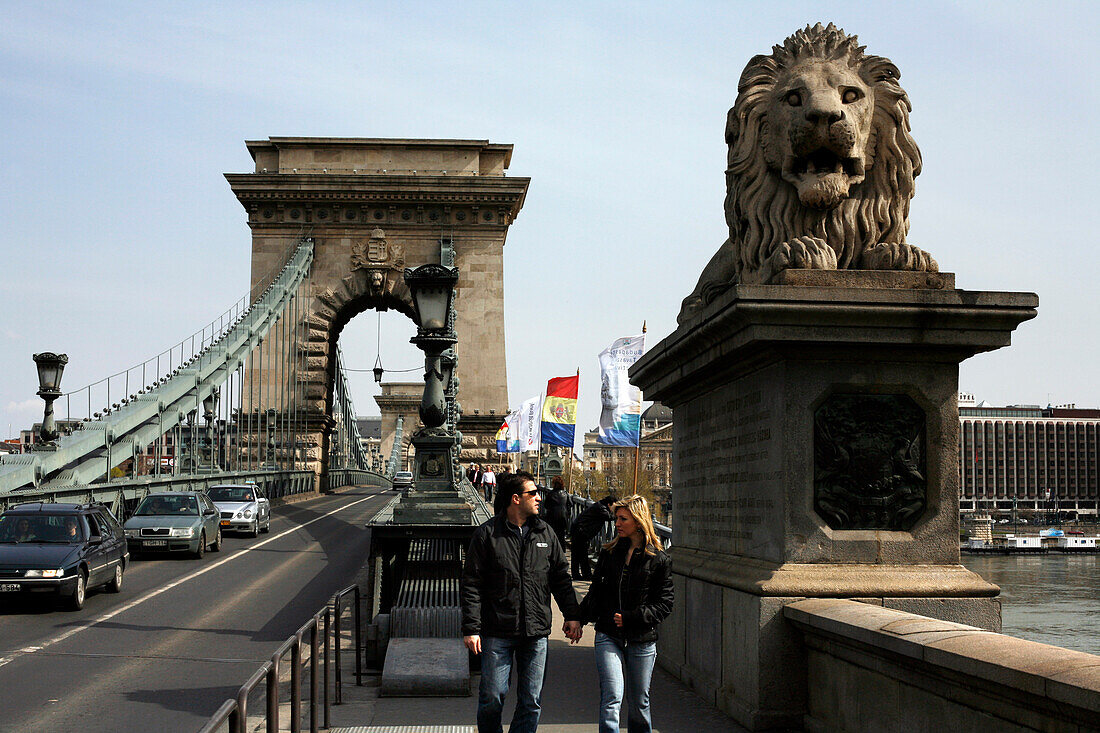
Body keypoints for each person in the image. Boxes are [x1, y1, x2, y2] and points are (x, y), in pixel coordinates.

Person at [461, 470, 583, 733]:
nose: (539, 498)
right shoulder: (487, 535)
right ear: (516, 499)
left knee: (531, 701)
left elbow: (561, 578)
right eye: (533, 494)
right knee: (492, 697)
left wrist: (572, 615)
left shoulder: (545, 533)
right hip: (497, 629)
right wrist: (472, 628)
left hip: (535, 630)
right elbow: (472, 583)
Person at [580, 495, 674, 733]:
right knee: (612, 697)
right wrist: (578, 620)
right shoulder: (610, 553)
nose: (617, 523)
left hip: (641, 639)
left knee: (639, 702)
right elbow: (596, 592)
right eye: (616, 518)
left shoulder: (658, 559)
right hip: (608, 634)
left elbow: (665, 603)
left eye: (623, 519)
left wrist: (633, 617)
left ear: (639, 520)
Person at [570, 495, 615, 580]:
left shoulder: (599, 505)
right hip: (582, 532)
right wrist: (617, 514)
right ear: (609, 504)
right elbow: (609, 517)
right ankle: (586, 575)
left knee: (577, 554)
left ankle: (577, 574)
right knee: (582, 554)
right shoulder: (602, 508)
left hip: (579, 530)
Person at [541, 476, 568, 551]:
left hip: (552, 517)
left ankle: (553, 549)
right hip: (563, 517)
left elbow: (546, 505)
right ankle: (562, 550)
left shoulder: (551, 494)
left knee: (552, 533)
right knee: (561, 534)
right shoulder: (565, 494)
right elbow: (570, 504)